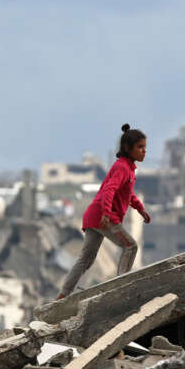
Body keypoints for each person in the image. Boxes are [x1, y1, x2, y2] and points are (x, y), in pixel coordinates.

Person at [57, 124, 151, 299]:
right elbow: (109, 190)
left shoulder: (128, 168)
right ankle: (120, 287)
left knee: (85, 259)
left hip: (94, 215)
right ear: (127, 148)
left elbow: (127, 194)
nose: (144, 151)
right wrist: (107, 214)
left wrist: (140, 210)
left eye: (145, 147)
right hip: (104, 217)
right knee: (131, 246)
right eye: (140, 147)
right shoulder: (122, 167)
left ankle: (62, 295)